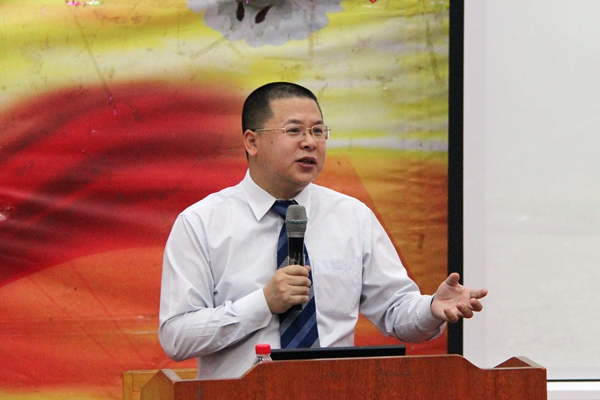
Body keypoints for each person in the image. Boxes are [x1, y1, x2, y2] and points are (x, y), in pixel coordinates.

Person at [158, 82, 487, 380]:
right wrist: (263, 303)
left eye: (318, 131)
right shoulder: (202, 223)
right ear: (252, 141)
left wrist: (431, 309)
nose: (309, 142)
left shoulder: (352, 217)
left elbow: (395, 310)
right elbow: (177, 336)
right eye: (294, 131)